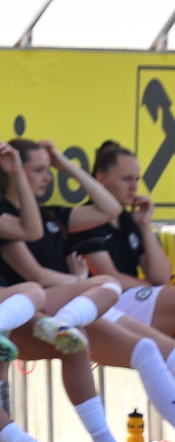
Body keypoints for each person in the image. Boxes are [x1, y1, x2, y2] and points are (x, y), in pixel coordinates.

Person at [0, 111, 157, 442]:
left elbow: (31, 229)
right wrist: (13, 296)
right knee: (26, 313)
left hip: (8, 304)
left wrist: (16, 171)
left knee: (85, 323)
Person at [0, 138, 175, 442]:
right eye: (40, 170)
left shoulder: (52, 215)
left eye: (50, 171)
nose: (48, 177)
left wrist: (65, 163)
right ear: (14, 170)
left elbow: (110, 208)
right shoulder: (2, 217)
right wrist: (78, 281)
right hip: (32, 310)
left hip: (75, 305)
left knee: (154, 348)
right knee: (107, 289)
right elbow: (37, 276)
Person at [70, 141, 175, 338]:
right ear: (100, 179)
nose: (134, 187)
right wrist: (152, 288)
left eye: (137, 179)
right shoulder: (84, 219)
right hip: (102, 307)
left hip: (132, 300)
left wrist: (144, 225)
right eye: (127, 179)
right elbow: (110, 277)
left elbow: (161, 277)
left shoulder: (128, 219)